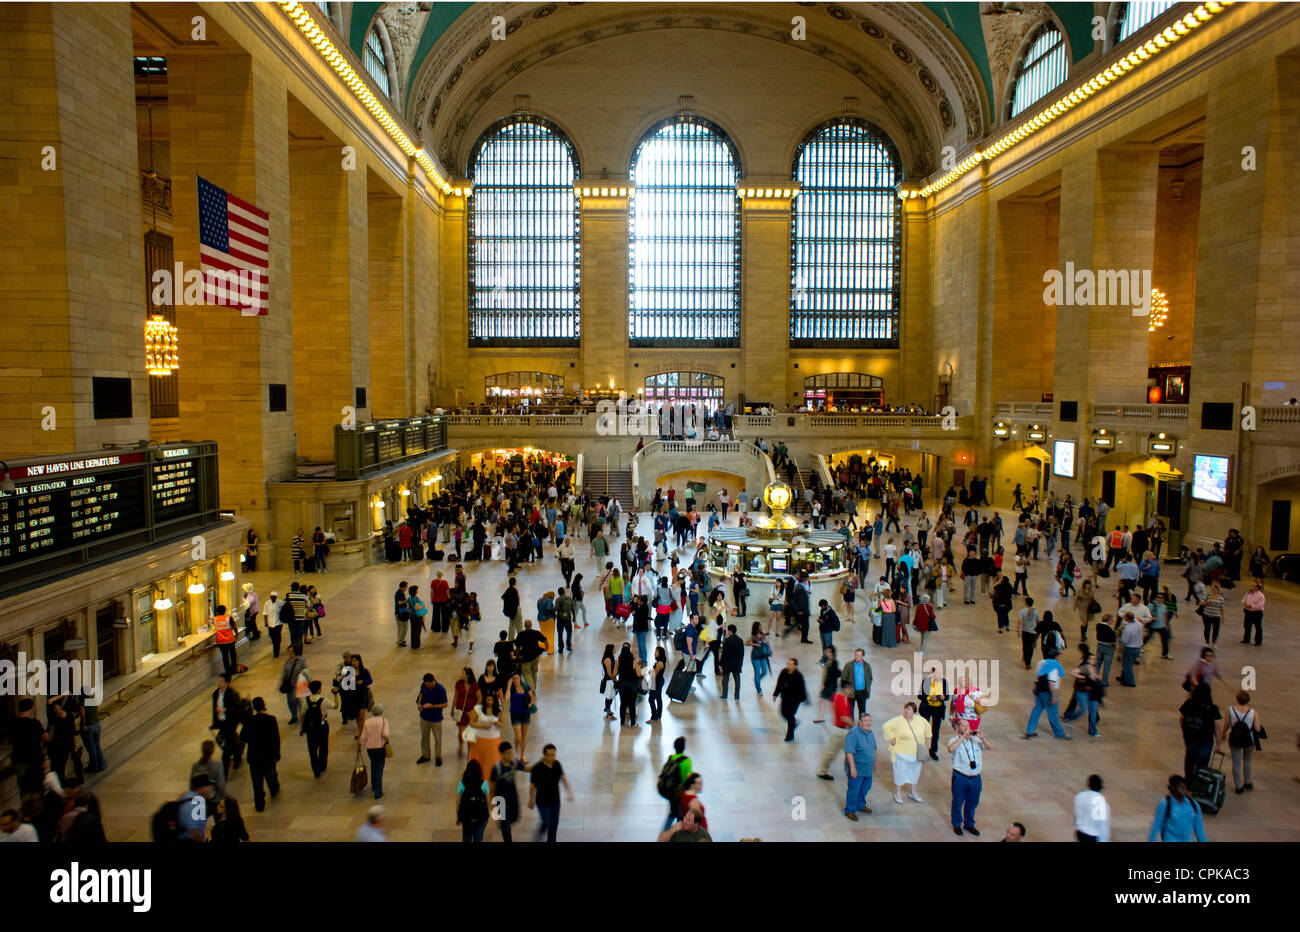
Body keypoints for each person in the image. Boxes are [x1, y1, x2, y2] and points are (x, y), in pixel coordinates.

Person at [947, 718, 989, 836]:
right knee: (958, 801)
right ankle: (956, 823)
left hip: (975, 777)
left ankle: (969, 824)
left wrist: (983, 739)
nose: (966, 728)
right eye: (963, 726)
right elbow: (950, 749)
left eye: (968, 726)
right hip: (960, 777)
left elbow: (991, 747)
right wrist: (962, 737)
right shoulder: (954, 740)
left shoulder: (976, 740)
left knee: (973, 801)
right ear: (958, 728)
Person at [237, 697, 281, 812]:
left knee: (257, 782)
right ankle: (274, 789)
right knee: (270, 775)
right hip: (268, 755)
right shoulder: (271, 719)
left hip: (254, 756)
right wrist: (277, 753)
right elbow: (276, 738)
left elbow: (243, 737)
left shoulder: (249, 721)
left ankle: (259, 804)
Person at [882, 702, 931, 804]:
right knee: (900, 773)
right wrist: (891, 737)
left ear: (914, 712)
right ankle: (898, 793)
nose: (906, 711)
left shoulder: (921, 720)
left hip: (916, 753)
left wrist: (926, 742)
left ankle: (913, 792)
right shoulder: (898, 720)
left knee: (915, 773)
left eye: (909, 709)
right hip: (902, 753)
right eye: (905, 709)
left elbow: (928, 730)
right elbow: (885, 727)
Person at [528, 743, 572, 843]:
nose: (552, 757)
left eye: (553, 755)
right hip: (542, 802)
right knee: (547, 822)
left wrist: (569, 791)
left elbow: (563, 778)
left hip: (555, 800)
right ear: (544, 755)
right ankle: (538, 837)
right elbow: (532, 786)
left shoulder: (557, 764)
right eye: (549, 755)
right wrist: (531, 800)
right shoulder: (537, 768)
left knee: (554, 823)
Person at [1178, 682, 1221, 783]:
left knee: (1189, 759)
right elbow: (1217, 727)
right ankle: (1198, 783)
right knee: (1202, 763)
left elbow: (1181, 719)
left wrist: (1184, 732)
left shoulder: (1189, 704)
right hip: (1206, 739)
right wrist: (1218, 743)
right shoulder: (1212, 708)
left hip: (1190, 737)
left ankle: (1188, 780)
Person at [1223, 690, 1263, 794]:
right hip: (1248, 740)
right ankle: (1247, 782)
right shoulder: (1253, 712)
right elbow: (1257, 728)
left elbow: (1227, 724)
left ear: (1237, 699)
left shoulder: (1230, 710)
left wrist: (1223, 734)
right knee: (1247, 760)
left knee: (1236, 763)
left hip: (1234, 739)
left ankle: (1238, 786)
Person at [1023, 650, 1069, 740]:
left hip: (1039, 689)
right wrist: (1053, 696)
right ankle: (1059, 733)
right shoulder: (1054, 666)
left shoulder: (1041, 662)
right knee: (1053, 713)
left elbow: (1039, 675)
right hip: (1048, 692)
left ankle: (1029, 731)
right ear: (1055, 657)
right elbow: (1051, 682)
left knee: (1036, 711)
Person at [1148, 775, 1207, 842]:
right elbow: (1156, 826)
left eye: (1186, 788)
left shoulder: (1194, 805)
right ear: (1173, 788)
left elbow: (1200, 831)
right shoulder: (1165, 804)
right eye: (1181, 787)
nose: (1185, 790)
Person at [842, 712, 877, 821]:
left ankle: (860, 805)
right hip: (857, 769)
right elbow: (849, 751)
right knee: (854, 790)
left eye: (870, 721)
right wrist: (852, 768)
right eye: (866, 720)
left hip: (868, 768)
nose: (868, 723)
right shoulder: (853, 734)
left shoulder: (870, 733)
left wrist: (874, 761)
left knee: (865, 788)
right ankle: (850, 810)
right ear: (860, 722)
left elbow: (874, 747)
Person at [816, 681, 855, 780]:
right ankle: (821, 770)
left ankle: (849, 769)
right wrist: (855, 726)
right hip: (840, 731)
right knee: (833, 752)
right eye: (850, 688)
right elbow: (844, 718)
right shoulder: (841, 699)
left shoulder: (838, 696)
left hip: (840, 730)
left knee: (843, 752)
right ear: (845, 689)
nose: (852, 691)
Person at [489, 742, 527, 842]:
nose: (510, 755)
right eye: (507, 753)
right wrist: (492, 803)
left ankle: (503, 823)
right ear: (501, 754)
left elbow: (525, 768)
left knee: (514, 817)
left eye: (511, 753)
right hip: (501, 799)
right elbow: (492, 787)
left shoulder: (514, 762)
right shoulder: (497, 768)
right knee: (505, 824)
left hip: (513, 796)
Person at [209, 673, 243, 778]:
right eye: (218, 681)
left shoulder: (232, 694)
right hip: (221, 723)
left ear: (227, 683)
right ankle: (237, 757)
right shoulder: (215, 694)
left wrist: (224, 710)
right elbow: (214, 710)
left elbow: (237, 710)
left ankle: (224, 774)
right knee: (230, 741)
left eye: (221, 681)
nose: (219, 683)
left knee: (226, 749)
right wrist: (215, 723)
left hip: (230, 723)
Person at [659, 737, 693, 831]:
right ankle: (679, 835)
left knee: (672, 812)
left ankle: (664, 832)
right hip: (680, 792)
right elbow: (689, 777)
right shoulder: (686, 761)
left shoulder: (671, 758)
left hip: (670, 791)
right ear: (684, 747)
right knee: (680, 814)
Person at [358, 702, 391, 800]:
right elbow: (386, 734)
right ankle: (378, 791)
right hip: (380, 747)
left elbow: (363, 735)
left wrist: (360, 745)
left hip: (370, 748)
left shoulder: (367, 722)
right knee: (380, 768)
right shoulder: (384, 721)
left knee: (373, 765)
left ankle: (373, 784)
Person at [772, 658, 808, 741]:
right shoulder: (784, 672)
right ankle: (794, 724)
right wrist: (775, 694)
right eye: (788, 664)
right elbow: (779, 683)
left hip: (795, 699)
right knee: (784, 713)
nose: (789, 666)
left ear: (795, 666)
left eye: (791, 664)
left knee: (790, 715)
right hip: (785, 697)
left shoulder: (798, 676)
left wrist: (803, 699)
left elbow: (802, 689)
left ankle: (790, 735)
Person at [456, 759, 491, 843]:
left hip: (467, 818)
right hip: (480, 817)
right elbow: (488, 800)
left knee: (466, 838)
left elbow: (458, 802)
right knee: (478, 838)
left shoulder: (462, 784)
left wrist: (458, 816)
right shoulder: (483, 784)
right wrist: (488, 812)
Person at [416, 672, 447, 766]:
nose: (428, 687)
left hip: (436, 718)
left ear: (433, 681)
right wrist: (419, 704)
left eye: (429, 685)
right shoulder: (424, 685)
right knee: (424, 737)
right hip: (424, 717)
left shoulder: (441, 689)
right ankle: (425, 755)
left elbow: (445, 704)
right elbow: (421, 694)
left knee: (437, 739)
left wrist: (432, 706)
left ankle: (438, 757)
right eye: (426, 685)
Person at [300, 680, 330, 777]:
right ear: (319, 690)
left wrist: (303, 727)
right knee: (323, 747)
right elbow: (336, 706)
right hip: (322, 726)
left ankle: (315, 768)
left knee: (312, 749)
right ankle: (322, 765)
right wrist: (336, 695)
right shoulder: (323, 700)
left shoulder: (306, 701)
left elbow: (303, 715)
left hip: (311, 728)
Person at [917, 669, 948, 759]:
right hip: (927, 708)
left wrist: (944, 697)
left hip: (938, 709)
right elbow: (920, 696)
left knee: (935, 731)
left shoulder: (944, 682)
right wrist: (930, 698)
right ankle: (921, 750)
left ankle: (933, 750)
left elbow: (947, 696)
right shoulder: (926, 681)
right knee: (923, 730)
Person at [176, 773, 214, 842]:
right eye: (208, 785)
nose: (210, 788)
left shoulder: (186, 795)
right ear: (202, 787)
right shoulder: (197, 804)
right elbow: (194, 832)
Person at [507, 673, 535, 761]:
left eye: (517, 678)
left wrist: (530, 704)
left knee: (524, 736)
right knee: (518, 737)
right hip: (515, 714)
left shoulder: (526, 686)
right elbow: (506, 698)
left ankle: (522, 755)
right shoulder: (511, 689)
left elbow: (532, 697)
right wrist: (508, 686)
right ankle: (516, 742)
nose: (515, 680)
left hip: (526, 713)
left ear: (520, 678)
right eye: (513, 679)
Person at [1073, 774, 1110, 842]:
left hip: (1079, 832)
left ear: (1089, 785)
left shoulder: (1079, 796)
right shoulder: (1103, 805)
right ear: (1101, 787)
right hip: (1092, 836)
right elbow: (1103, 827)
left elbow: (1076, 815)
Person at [452, 666, 480, 754]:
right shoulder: (458, 683)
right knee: (461, 731)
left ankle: (470, 752)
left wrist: (473, 710)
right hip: (460, 711)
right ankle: (460, 744)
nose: (461, 675)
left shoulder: (474, 685)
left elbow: (480, 698)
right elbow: (456, 696)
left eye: (463, 673)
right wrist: (453, 708)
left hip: (470, 713)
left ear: (468, 675)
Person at [515, 619, 548, 691]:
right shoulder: (536, 633)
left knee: (527, 673)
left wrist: (517, 656)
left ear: (524, 626)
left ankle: (531, 689)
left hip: (526, 657)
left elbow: (517, 647)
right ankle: (534, 686)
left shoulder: (521, 634)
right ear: (531, 625)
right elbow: (545, 640)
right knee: (534, 672)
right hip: (535, 656)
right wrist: (546, 648)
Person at [1118, 602, 1145, 688]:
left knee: (1127, 665)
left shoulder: (1128, 629)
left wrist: (1118, 637)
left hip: (1130, 648)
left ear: (1126, 619)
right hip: (1138, 647)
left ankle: (1130, 682)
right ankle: (1124, 677)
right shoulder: (1139, 624)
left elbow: (1124, 641)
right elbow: (1137, 620)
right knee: (1129, 664)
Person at [840, 648, 873, 717]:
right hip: (851, 692)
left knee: (862, 711)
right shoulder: (848, 665)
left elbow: (870, 678)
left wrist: (867, 689)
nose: (856, 657)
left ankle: (861, 725)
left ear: (862, 656)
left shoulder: (867, 666)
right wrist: (845, 691)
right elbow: (843, 678)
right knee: (850, 710)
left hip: (862, 692)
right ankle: (851, 725)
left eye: (858, 656)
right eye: (855, 655)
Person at [719, 624, 745, 700]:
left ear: (730, 631)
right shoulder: (740, 640)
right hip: (737, 663)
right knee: (737, 679)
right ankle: (737, 696)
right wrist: (741, 663)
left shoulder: (727, 640)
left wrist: (721, 663)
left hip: (727, 663)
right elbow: (742, 653)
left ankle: (724, 695)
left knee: (725, 679)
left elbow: (724, 653)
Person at [212, 604, 238, 679]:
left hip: (221, 642)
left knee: (225, 657)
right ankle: (233, 669)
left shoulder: (214, 619)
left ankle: (228, 671)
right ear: (225, 611)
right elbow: (234, 627)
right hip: (230, 640)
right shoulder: (228, 618)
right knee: (233, 655)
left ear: (217, 612)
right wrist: (236, 635)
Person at [748, 623, 772, 697]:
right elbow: (746, 643)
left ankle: (756, 680)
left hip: (763, 656)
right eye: (760, 626)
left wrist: (767, 643)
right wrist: (755, 644)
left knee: (765, 672)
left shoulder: (763, 635)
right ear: (757, 627)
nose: (761, 627)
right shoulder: (753, 636)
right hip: (755, 656)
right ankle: (759, 689)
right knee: (757, 672)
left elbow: (766, 642)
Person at [1240, 581, 1265, 646]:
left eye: (1253, 586)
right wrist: (1244, 603)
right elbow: (1244, 599)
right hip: (1248, 612)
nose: (1251, 587)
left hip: (1256, 613)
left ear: (1257, 587)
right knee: (1247, 626)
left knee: (1258, 627)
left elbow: (1260, 605)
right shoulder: (1248, 593)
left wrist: (1251, 606)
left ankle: (1258, 641)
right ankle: (1246, 639)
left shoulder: (1261, 595)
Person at [1017, 596, 1039, 668]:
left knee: (1025, 646)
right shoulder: (1035, 611)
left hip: (1025, 631)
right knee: (1030, 648)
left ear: (1025, 603)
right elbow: (1038, 622)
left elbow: (1020, 621)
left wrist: (1018, 630)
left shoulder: (1022, 611)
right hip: (1032, 633)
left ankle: (1025, 657)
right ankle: (1028, 663)